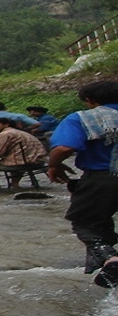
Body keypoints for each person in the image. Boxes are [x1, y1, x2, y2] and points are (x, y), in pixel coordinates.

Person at [45, 80, 118, 287]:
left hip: (103, 178)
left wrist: (53, 166)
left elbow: (64, 148)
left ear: (90, 100)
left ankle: (110, 258)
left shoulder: (82, 118)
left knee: (87, 222)